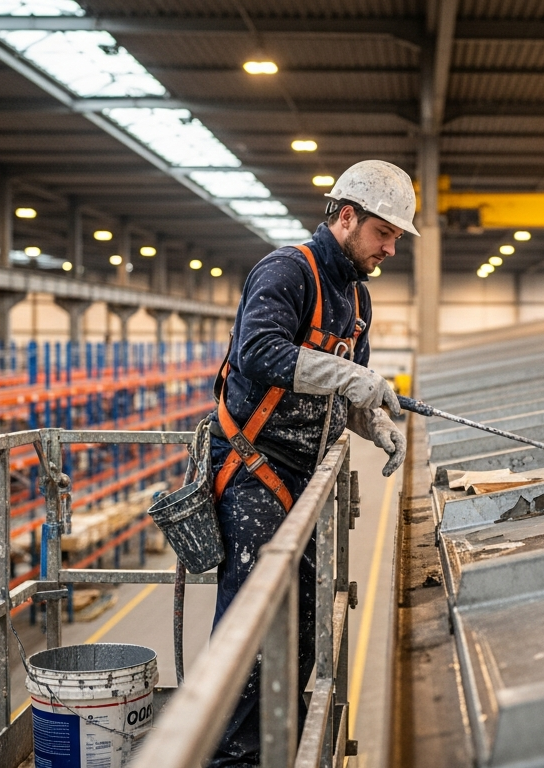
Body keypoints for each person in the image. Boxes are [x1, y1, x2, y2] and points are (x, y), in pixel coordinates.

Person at [206, 159, 414, 766]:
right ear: (346, 217)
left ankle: (283, 738)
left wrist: (376, 423)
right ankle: (233, 758)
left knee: (301, 619)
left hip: (304, 476)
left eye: (396, 237)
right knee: (250, 622)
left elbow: (339, 393)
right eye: (384, 233)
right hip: (254, 469)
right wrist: (356, 376)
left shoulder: (357, 298)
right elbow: (262, 352)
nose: (390, 248)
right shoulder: (287, 271)